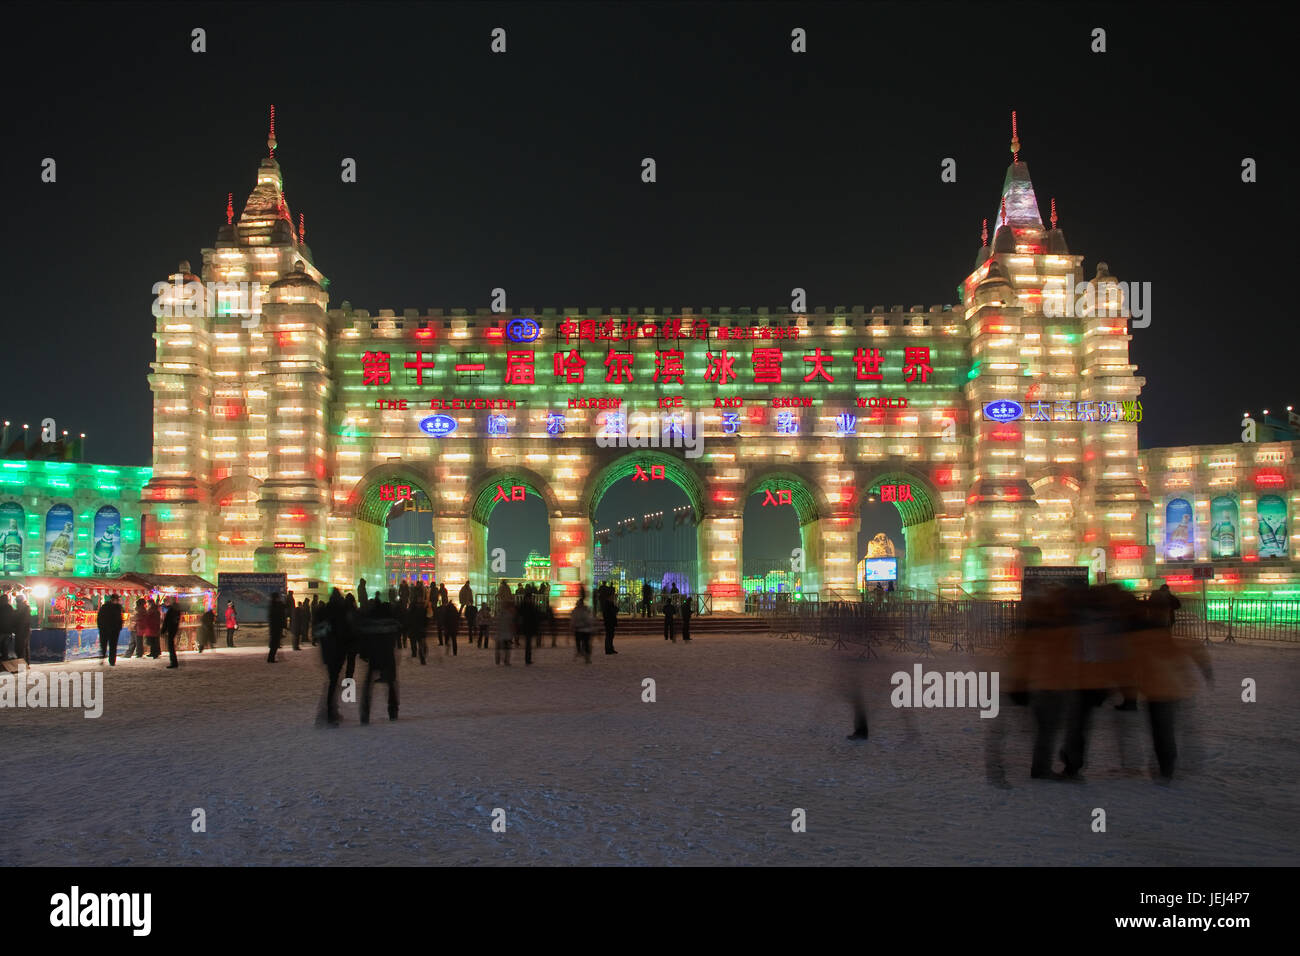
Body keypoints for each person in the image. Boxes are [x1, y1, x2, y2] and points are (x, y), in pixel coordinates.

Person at [359, 595, 399, 723]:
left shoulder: (369, 620)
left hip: (374, 655)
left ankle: (365, 711)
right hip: (387, 654)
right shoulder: (388, 620)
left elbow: (364, 637)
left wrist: (364, 653)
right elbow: (397, 630)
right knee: (391, 683)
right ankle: (392, 710)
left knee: (368, 684)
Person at [97, 594, 123, 665]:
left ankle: (103, 657)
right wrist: (119, 627)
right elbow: (119, 619)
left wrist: (100, 627)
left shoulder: (104, 607)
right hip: (114, 630)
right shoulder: (117, 608)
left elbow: (99, 618)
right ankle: (112, 661)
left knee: (104, 644)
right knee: (113, 646)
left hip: (104, 629)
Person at [571, 585, 594, 663]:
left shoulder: (581, 610)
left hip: (583, 629)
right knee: (583, 644)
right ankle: (584, 655)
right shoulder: (581, 610)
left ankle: (585, 656)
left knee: (585, 644)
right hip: (581, 629)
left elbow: (589, 619)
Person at [495, 582, 515, 666]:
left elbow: (497, 623)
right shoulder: (509, 614)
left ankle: (499, 659)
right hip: (506, 633)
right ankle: (505, 660)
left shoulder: (501, 614)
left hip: (501, 633)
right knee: (506, 648)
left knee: (500, 647)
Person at [408, 588, 428, 664]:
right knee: (418, 643)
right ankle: (419, 656)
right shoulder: (422, 608)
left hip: (416, 628)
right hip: (418, 628)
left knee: (418, 643)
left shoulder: (416, 608)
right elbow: (425, 619)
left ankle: (417, 654)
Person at [161, 596, 181, 668]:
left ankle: (173, 662)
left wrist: (163, 630)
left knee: (170, 645)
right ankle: (173, 661)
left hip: (171, 628)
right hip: (174, 628)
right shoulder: (177, 610)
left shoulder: (171, 610)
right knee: (171, 645)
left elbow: (166, 621)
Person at [267, 592, 286, 663]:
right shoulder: (275, 605)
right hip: (276, 628)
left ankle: (271, 657)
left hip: (274, 627)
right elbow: (279, 614)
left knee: (274, 644)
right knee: (274, 644)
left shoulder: (273, 605)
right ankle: (271, 658)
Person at [13, 595, 32, 664]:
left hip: (22, 630)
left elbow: (24, 621)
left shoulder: (23, 609)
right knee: (25, 647)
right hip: (24, 630)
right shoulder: (26, 608)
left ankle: (22, 664)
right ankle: (26, 663)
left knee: (20, 648)